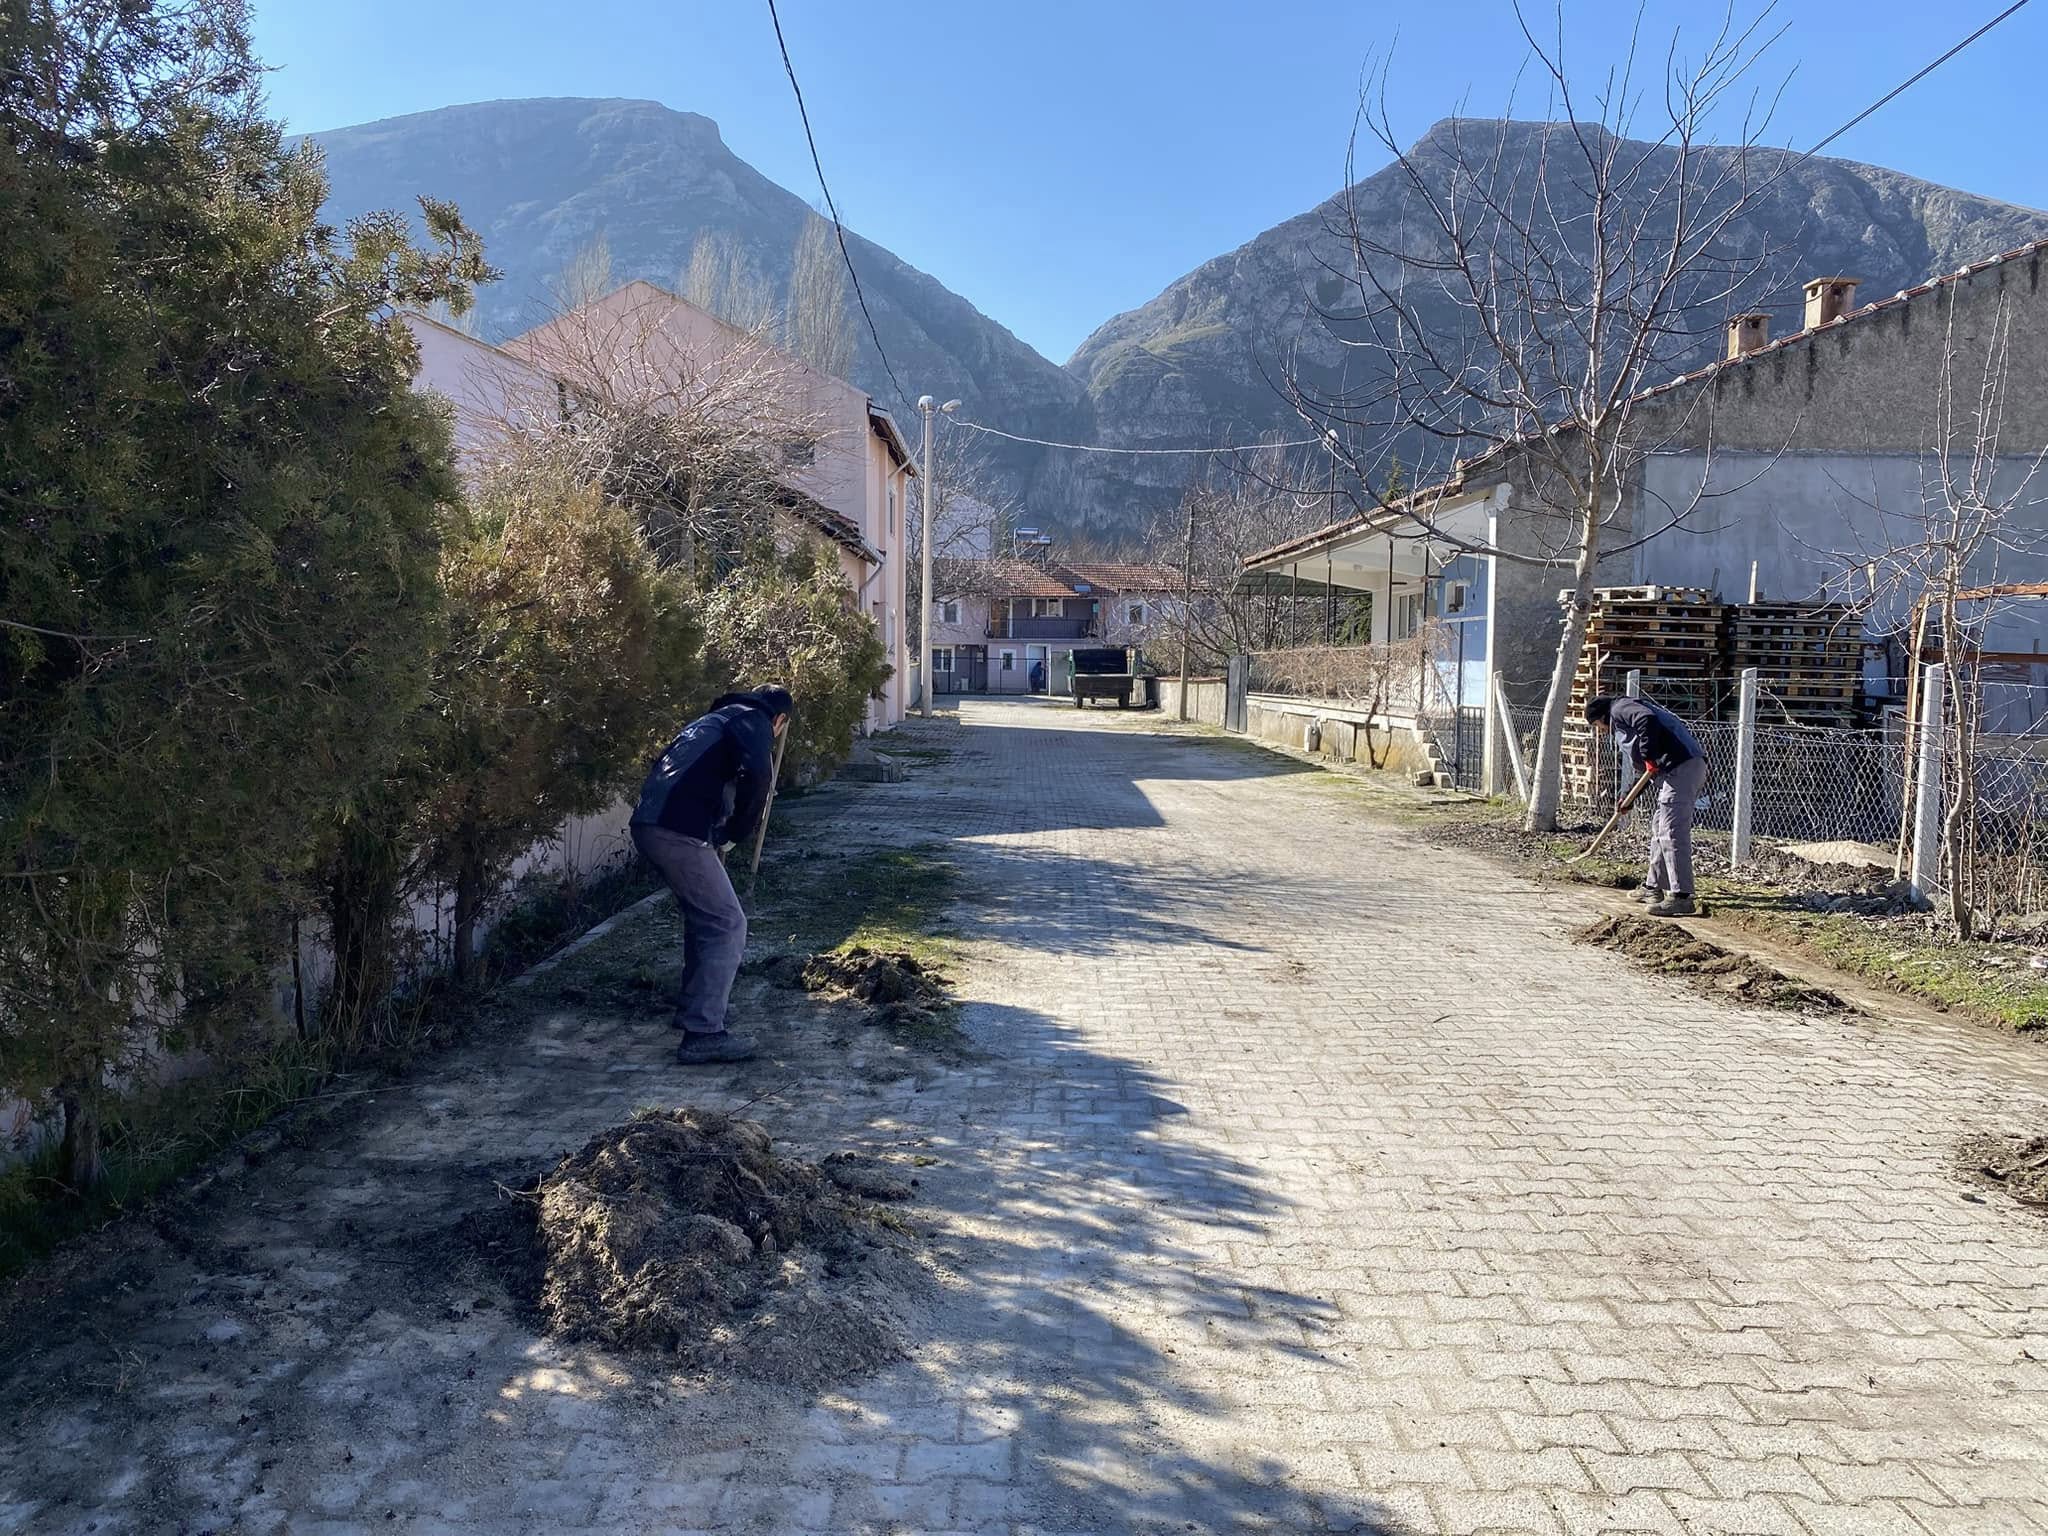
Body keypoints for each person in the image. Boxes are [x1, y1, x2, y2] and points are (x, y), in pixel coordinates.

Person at [629, 686, 793, 1064]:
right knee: (727, 922)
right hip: (677, 832)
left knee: (705, 917)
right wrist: (737, 831)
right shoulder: (754, 723)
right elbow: (756, 775)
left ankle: (695, 1005)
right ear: (780, 720)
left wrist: (717, 827)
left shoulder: (714, 721)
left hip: (651, 824)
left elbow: (699, 776)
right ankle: (703, 1031)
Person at [1585, 694, 1707, 917]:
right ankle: (1653, 887)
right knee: (1659, 828)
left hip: (1682, 767)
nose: (1600, 731)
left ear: (1601, 716)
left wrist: (1649, 755)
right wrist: (1627, 798)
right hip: (1674, 771)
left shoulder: (1620, 708)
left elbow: (1646, 720)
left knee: (1671, 831)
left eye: (1596, 725)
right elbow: (1644, 769)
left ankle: (1682, 897)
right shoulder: (1623, 722)